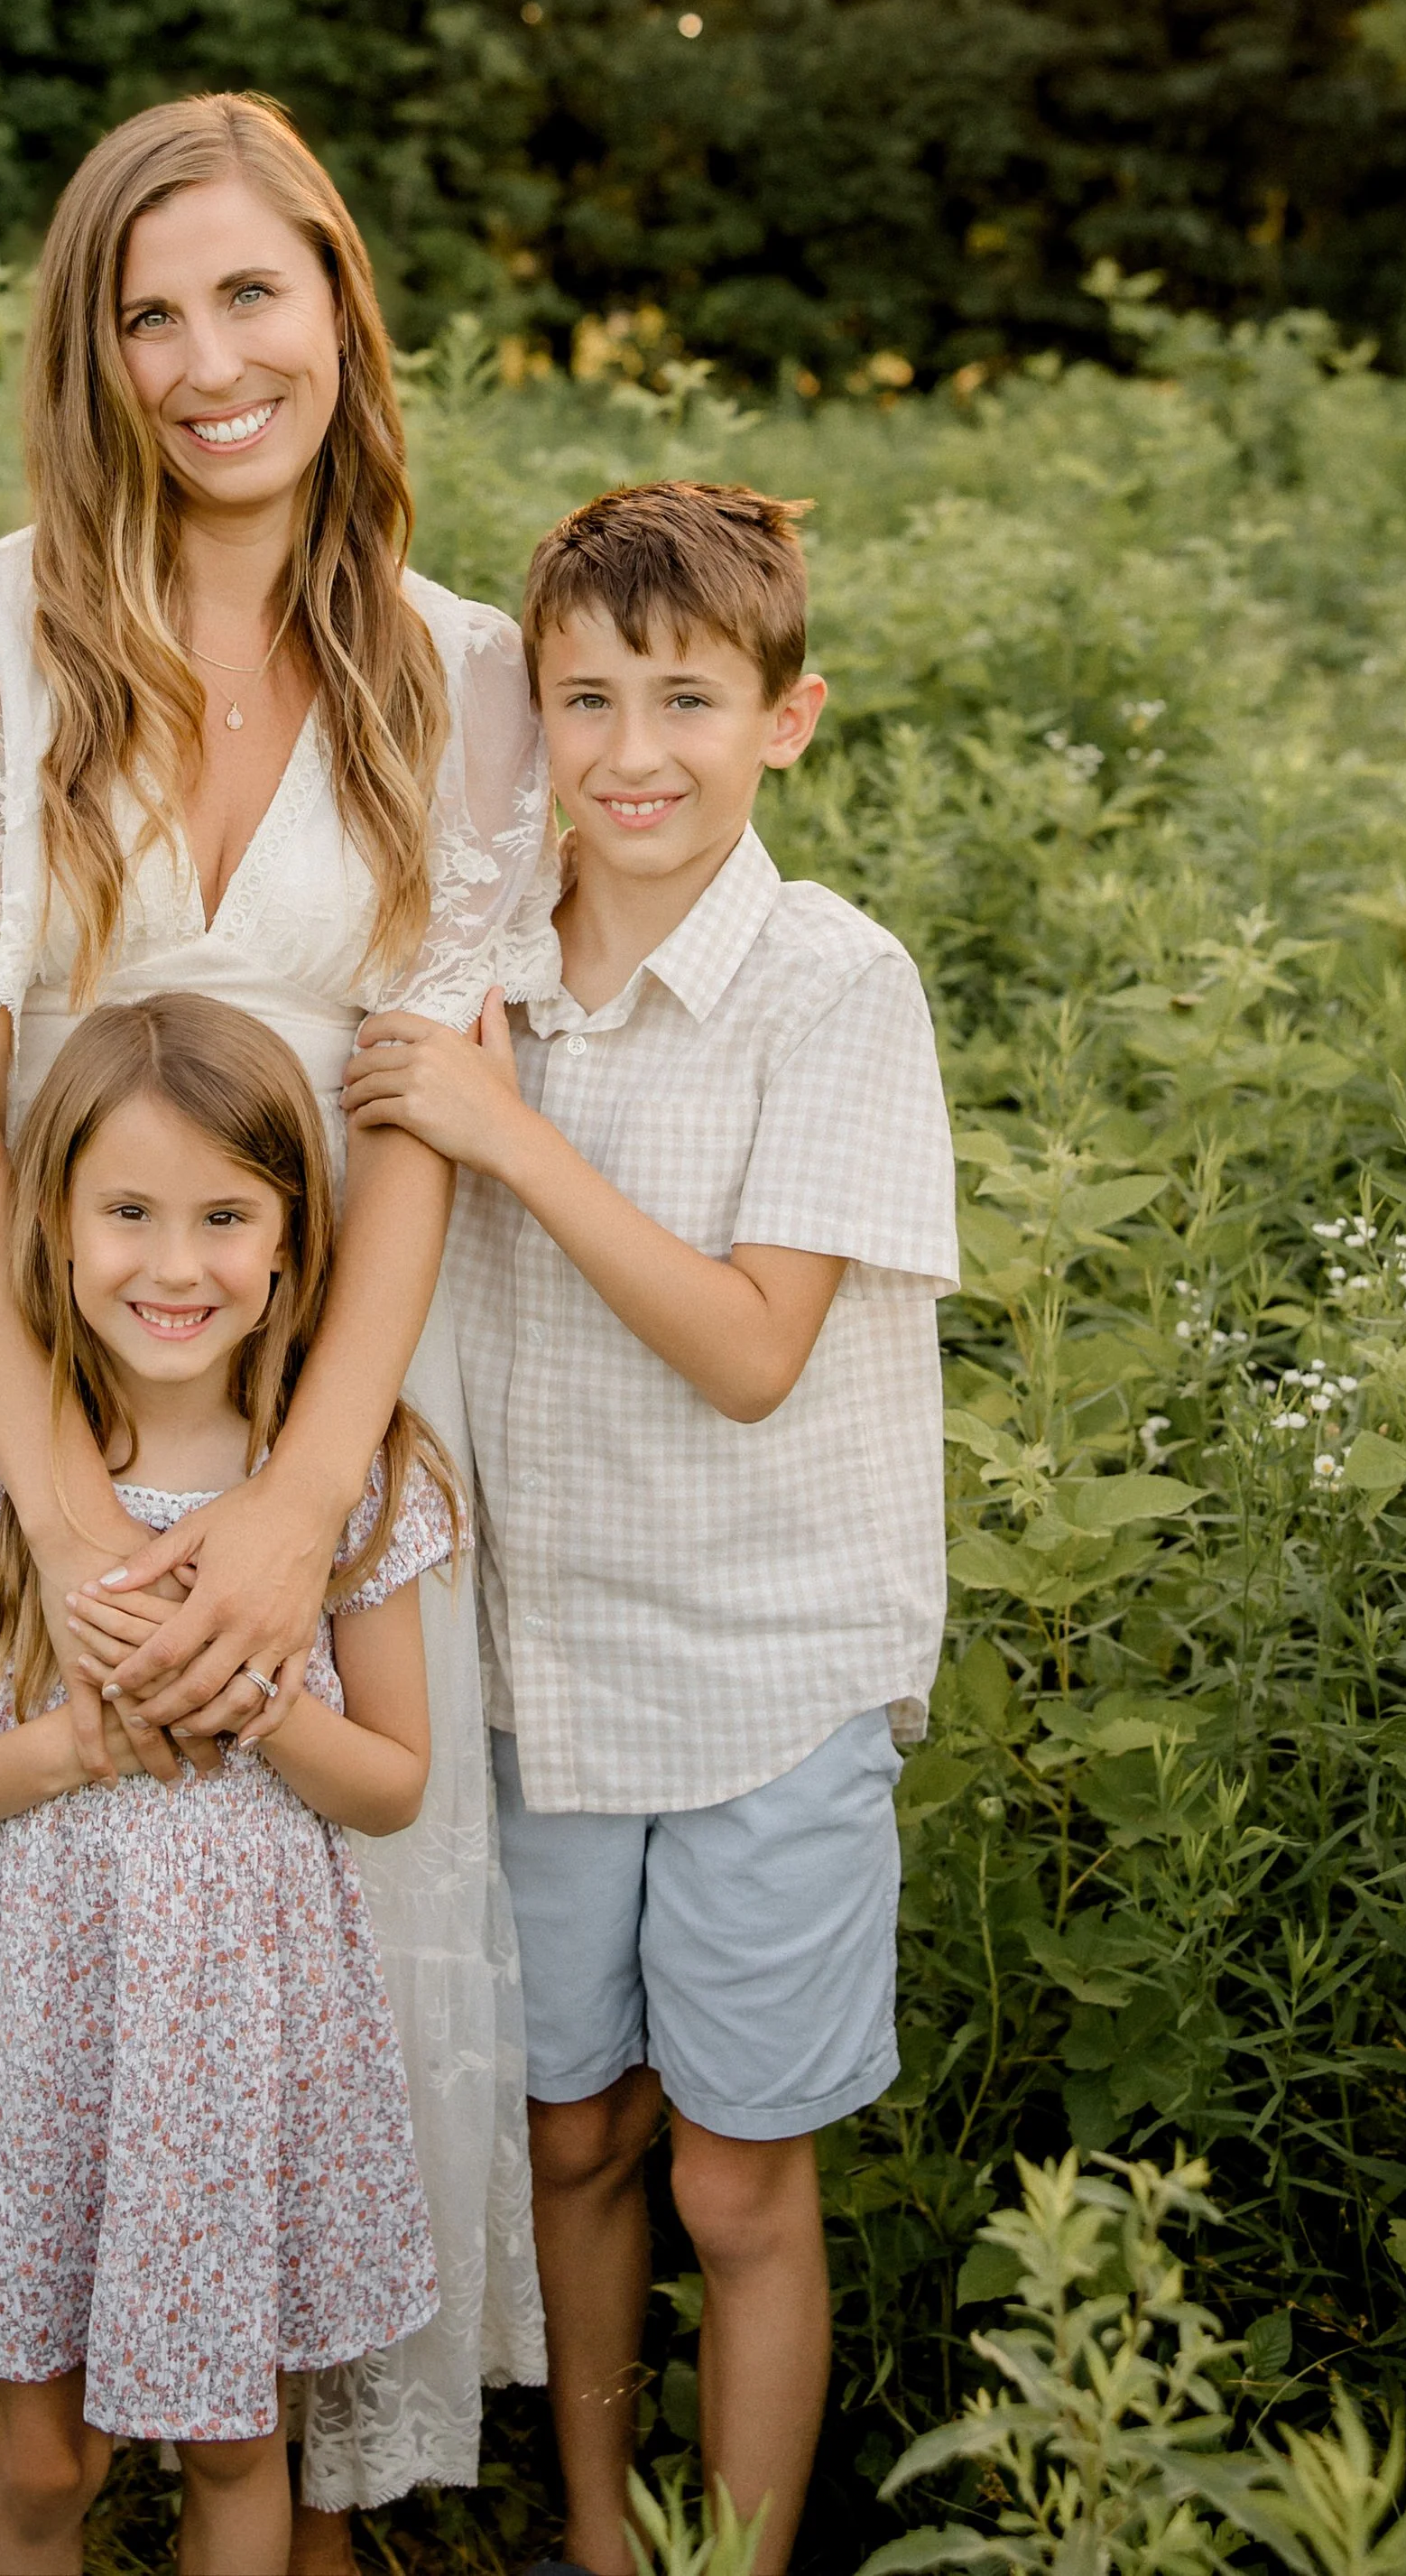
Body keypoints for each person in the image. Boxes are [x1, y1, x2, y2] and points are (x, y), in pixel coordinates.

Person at [0, 94, 547, 2564]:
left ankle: (262, 2456)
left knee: (289, 1900)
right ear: (89, 354)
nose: (200, 359)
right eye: (142, 315)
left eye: (247, 292)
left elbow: (423, 1116)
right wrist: (57, 1504)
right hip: (8, 1359)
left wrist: (299, 1506)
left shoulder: (462, 671)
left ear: (337, 303)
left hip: (322, 1366)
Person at [341, 480, 957, 2576]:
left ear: (785, 718)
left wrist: (507, 1138)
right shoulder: (469, 972)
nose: (630, 751)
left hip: (765, 1673)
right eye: (585, 697)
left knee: (731, 2175)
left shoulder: (828, 983)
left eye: (686, 699)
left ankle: (736, 2561)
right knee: (572, 2134)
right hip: (531, 1667)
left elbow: (752, 1350)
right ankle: (599, 2540)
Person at [0, 996, 458, 2576]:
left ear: (293, 1238)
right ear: (52, 1225)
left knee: (237, 2436)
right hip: (45, 2026)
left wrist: (265, 1704)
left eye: (224, 1218)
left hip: (246, 2037)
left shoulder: (347, 1477)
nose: (175, 1265)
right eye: (126, 1212)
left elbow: (394, 1782)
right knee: (40, 2453)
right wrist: (65, 1747)